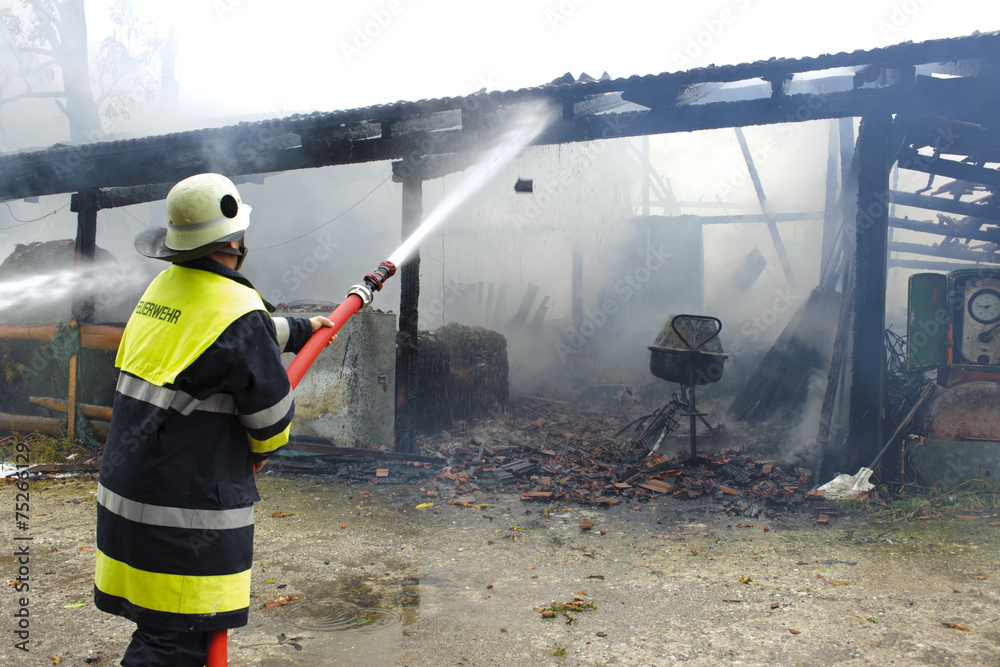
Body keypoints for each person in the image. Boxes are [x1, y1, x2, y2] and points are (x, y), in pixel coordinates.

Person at [94, 173, 332, 665]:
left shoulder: (164, 288)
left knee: (166, 629)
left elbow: (226, 337)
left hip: (128, 494)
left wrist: (303, 329)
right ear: (235, 241)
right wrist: (264, 451)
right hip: (181, 513)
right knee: (172, 644)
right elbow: (270, 419)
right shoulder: (237, 310)